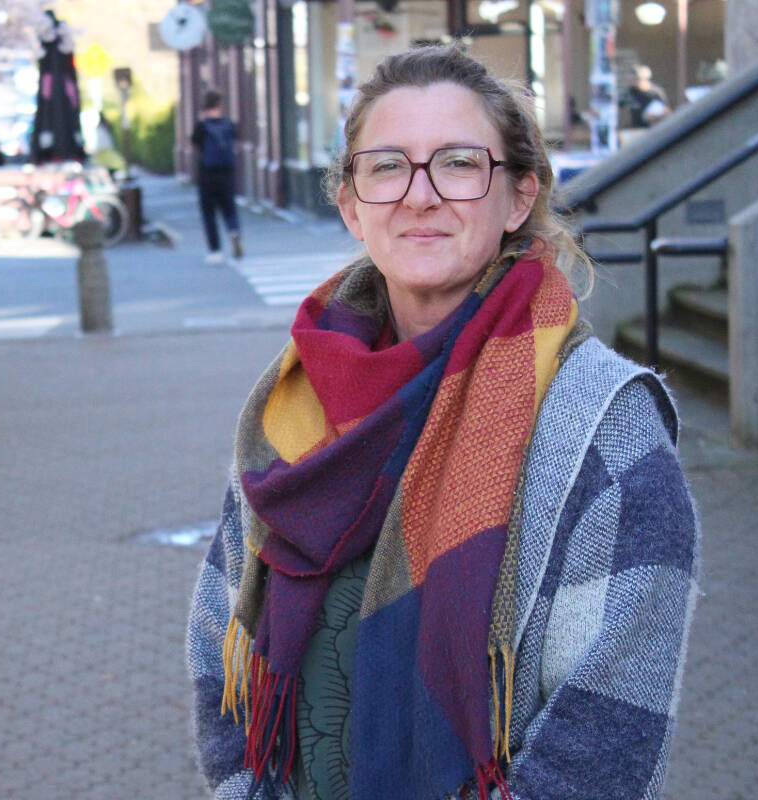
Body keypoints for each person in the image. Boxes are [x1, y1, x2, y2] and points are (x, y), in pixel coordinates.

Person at [186, 45, 699, 800]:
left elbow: (604, 740)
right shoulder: (294, 405)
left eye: (459, 163)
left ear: (519, 197)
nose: (419, 197)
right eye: (387, 166)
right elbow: (217, 644)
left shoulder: (604, 426)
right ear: (352, 205)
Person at [191, 89, 242, 264]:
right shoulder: (229, 124)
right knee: (229, 208)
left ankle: (215, 251)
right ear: (220, 104)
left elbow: (194, 146)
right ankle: (233, 231)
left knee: (209, 214)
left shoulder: (201, 126)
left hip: (207, 175)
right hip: (226, 173)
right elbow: (235, 145)